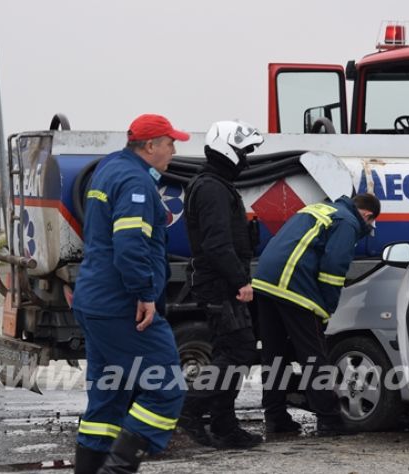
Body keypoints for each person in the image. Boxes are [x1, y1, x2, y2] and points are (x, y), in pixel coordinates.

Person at [72, 114, 189, 474]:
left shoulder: (109, 169)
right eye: (170, 143)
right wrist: (144, 293)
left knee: (108, 400)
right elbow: (129, 243)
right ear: (150, 146)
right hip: (122, 305)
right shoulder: (134, 181)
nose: (174, 150)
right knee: (166, 388)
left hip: (96, 301)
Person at [252, 193, 381, 436]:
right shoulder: (348, 222)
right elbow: (334, 267)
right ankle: (330, 420)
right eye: (370, 224)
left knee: (274, 354)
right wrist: (327, 308)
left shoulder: (319, 208)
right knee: (313, 355)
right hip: (293, 286)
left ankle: (275, 416)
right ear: (367, 215)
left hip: (266, 282)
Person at [178, 120, 264, 449]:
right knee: (240, 351)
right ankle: (189, 408)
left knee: (230, 352)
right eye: (243, 151)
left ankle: (224, 428)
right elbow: (216, 245)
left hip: (219, 283)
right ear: (227, 149)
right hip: (221, 286)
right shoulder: (212, 188)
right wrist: (240, 281)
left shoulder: (214, 184)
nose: (245, 159)